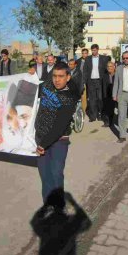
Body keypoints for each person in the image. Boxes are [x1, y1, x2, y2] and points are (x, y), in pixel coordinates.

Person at [35, 62, 78, 218]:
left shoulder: (70, 97)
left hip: (59, 141)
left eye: (61, 77)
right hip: (40, 138)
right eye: (54, 76)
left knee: (56, 173)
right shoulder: (47, 85)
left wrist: (42, 145)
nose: (57, 80)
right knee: (44, 175)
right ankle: (48, 205)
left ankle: (59, 206)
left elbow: (59, 127)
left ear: (68, 77)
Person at [83, 44, 109, 122]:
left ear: (98, 50)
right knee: (92, 100)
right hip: (91, 82)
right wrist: (84, 81)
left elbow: (106, 71)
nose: (93, 52)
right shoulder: (87, 59)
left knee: (100, 99)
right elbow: (85, 71)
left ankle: (100, 114)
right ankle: (93, 116)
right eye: (92, 50)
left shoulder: (104, 58)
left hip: (100, 81)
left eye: (95, 50)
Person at [102, 62, 117, 128]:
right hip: (107, 95)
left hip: (115, 94)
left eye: (110, 66)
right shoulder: (104, 75)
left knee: (113, 108)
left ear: (114, 67)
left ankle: (112, 121)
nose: (109, 68)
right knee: (106, 108)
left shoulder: (117, 75)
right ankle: (107, 122)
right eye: (108, 66)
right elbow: (102, 86)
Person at [75, 48, 89, 116]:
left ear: (87, 53)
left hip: (87, 81)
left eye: (85, 53)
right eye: (83, 53)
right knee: (80, 96)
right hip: (79, 81)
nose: (84, 54)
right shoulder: (77, 61)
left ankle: (84, 110)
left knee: (85, 97)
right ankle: (80, 110)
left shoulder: (90, 60)